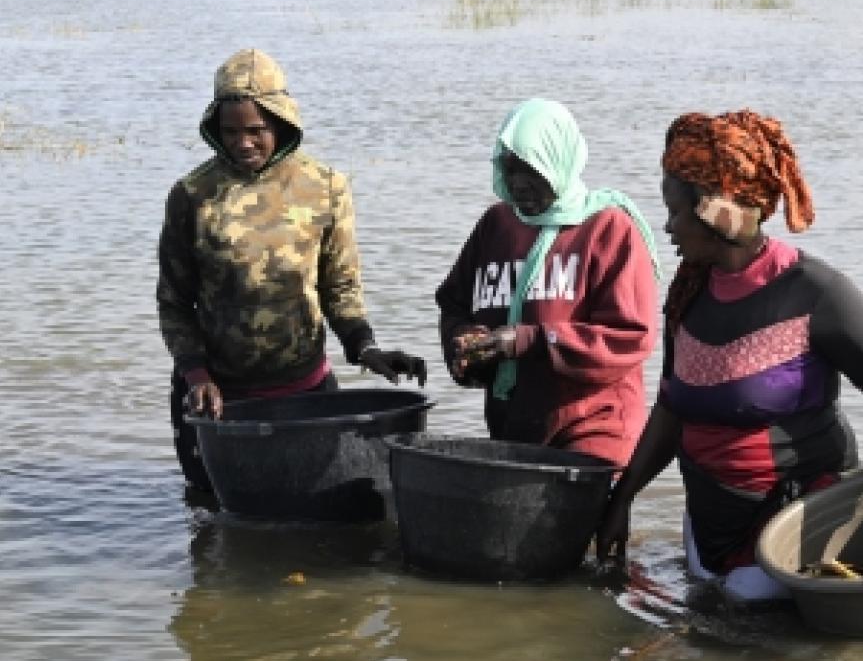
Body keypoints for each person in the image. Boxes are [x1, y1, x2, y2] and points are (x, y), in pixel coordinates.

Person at [596, 109, 863, 599]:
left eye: (677, 210)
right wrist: (622, 501)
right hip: (707, 531)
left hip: (791, 531)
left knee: (766, 641)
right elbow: (671, 408)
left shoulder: (814, 293)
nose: (668, 225)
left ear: (718, 211)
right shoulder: (688, 295)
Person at [157, 48, 426, 490]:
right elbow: (173, 302)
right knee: (214, 523)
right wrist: (196, 374)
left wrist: (366, 347)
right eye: (230, 132)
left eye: (256, 130)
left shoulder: (324, 187)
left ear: (281, 123)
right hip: (217, 397)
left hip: (303, 394)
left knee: (314, 519)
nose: (243, 142)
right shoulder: (193, 195)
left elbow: (339, 285)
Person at [435, 97, 661, 465]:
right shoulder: (496, 225)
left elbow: (629, 337)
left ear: (558, 161)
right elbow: (453, 303)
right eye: (509, 169)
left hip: (592, 426)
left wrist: (528, 340)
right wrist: (463, 341)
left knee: (579, 521)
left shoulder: (608, 229)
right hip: (517, 423)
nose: (518, 183)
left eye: (530, 170)